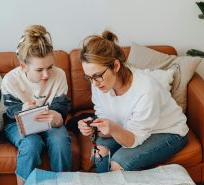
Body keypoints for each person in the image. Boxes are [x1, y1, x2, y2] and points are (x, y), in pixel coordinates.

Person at [78, 31, 189, 173]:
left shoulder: (146, 89)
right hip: (128, 128)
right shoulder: (98, 84)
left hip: (167, 131)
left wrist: (112, 128)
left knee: (118, 164)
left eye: (98, 76)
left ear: (116, 66)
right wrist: (94, 126)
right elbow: (106, 120)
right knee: (98, 153)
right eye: (89, 77)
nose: (94, 83)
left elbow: (133, 140)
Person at [1, 25, 72, 185]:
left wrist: (58, 117)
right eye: (39, 70)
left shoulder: (59, 75)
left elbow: (61, 107)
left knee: (60, 140)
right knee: (31, 144)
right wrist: (23, 110)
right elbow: (12, 112)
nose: (46, 75)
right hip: (17, 122)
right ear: (24, 67)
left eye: (49, 67)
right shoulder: (11, 80)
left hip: (49, 120)